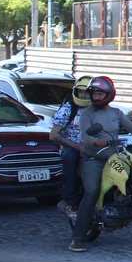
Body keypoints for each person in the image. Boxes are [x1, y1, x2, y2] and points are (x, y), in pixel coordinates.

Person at [69, 76, 132, 253]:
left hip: (114, 154)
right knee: (92, 191)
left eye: (100, 93)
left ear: (109, 94)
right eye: (94, 93)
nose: (97, 96)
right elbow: (86, 137)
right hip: (93, 158)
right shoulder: (86, 114)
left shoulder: (116, 113)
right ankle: (78, 237)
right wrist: (96, 141)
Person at [49, 75, 94, 218]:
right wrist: (76, 146)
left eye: (86, 92)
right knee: (70, 157)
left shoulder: (98, 109)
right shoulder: (69, 108)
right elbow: (54, 135)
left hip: (93, 146)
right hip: (72, 147)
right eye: (80, 91)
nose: (83, 95)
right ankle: (70, 201)